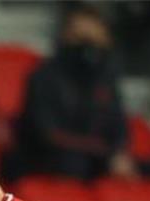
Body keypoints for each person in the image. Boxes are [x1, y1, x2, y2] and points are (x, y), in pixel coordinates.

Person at [13, 2, 135, 182]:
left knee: (148, 169)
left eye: (93, 41)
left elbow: (118, 124)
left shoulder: (105, 78)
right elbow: (45, 132)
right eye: (81, 39)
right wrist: (101, 151)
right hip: (50, 157)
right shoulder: (45, 76)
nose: (87, 50)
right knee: (74, 163)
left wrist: (118, 152)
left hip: (96, 155)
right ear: (66, 35)